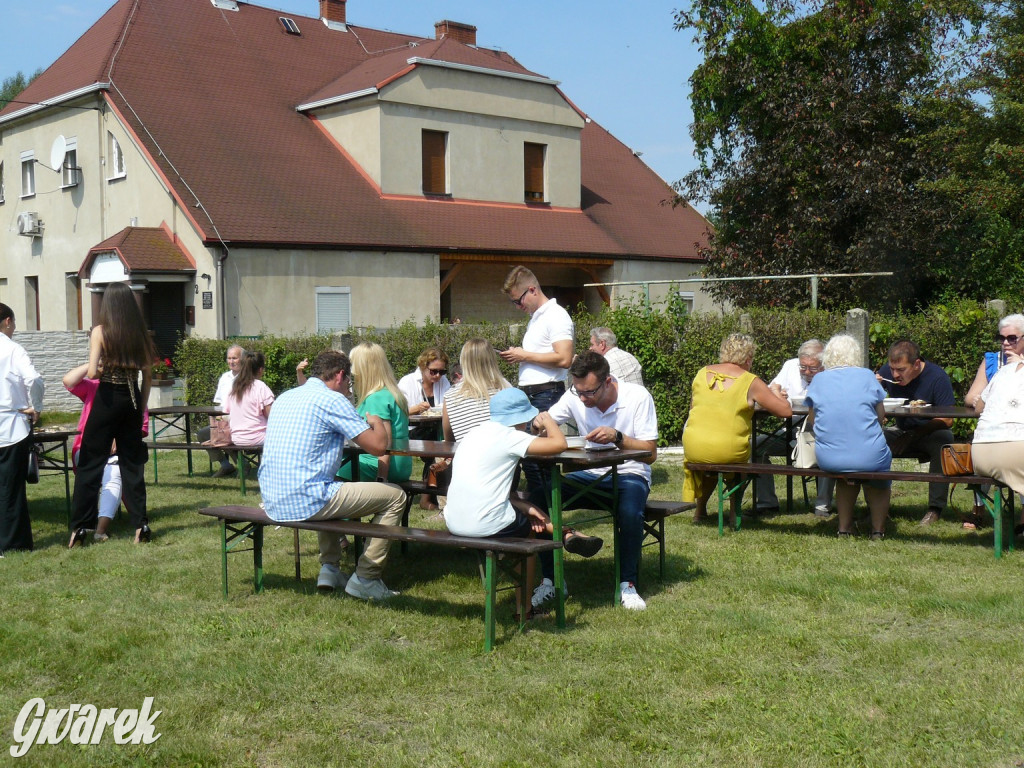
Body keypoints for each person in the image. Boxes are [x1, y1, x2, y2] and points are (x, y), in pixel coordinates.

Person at [259, 350, 407, 601]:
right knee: (396, 496)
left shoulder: (286, 396)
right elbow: (378, 446)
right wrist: (376, 421)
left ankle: (329, 569)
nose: (350, 387)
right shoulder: (333, 400)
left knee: (330, 485)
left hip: (272, 499)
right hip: (305, 499)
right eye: (349, 381)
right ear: (340, 375)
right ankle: (366, 578)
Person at [444, 388, 603, 616]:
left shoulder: (474, 434)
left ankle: (567, 533)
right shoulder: (511, 436)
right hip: (483, 523)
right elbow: (558, 444)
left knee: (528, 517)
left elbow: (497, 492)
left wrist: (527, 508)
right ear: (521, 417)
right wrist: (547, 419)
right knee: (527, 539)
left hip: (454, 520)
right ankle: (525, 609)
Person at [531, 351, 658, 611]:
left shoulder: (637, 397)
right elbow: (545, 421)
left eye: (590, 392)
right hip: (589, 474)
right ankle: (552, 580)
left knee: (631, 512)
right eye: (579, 392)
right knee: (538, 499)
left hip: (630, 473)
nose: (584, 398)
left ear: (608, 381)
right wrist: (538, 423)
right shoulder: (575, 396)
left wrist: (618, 437)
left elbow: (651, 454)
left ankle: (628, 584)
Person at [69, 282, 154, 548]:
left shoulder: (101, 332)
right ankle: (141, 525)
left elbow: (92, 373)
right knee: (131, 466)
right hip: (131, 401)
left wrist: (104, 365)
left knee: (91, 465)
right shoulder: (140, 335)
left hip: (106, 400)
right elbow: (147, 376)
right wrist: (140, 406)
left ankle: (81, 528)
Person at [682, 333, 792, 523]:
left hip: (693, 447)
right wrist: (775, 392)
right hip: (728, 449)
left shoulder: (702, 373)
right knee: (735, 458)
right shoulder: (750, 381)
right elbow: (785, 411)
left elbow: (694, 408)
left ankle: (699, 512)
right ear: (748, 358)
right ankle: (734, 513)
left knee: (709, 458)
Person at [499, 266, 574, 501]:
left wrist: (524, 356)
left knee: (536, 459)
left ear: (532, 290)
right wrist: (520, 357)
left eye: (518, 301)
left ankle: (546, 517)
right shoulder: (536, 318)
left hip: (547, 393)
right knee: (529, 458)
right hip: (533, 394)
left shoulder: (556, 315)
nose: (518, 307)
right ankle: (542, 516)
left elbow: (564, 358)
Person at [805, 335, 892, 538]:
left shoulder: (818, 380)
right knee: (878, 472)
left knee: (845, 475)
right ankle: (878, 530)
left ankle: (844, 528)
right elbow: (881, 416)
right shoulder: (867, 376)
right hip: (869, 456)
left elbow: (812, 420)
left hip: (830, 458)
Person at [63, 363, 150, 542]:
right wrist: (93, 363)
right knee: (93, 468)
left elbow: (140, 427)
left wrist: (116, 440)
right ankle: (86, 526)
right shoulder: (94, 387)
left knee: (114, 473)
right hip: (88, 449)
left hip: (116, 455)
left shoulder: (134, 397)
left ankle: (99, 529)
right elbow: (69, 381)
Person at [876, 340, 955, 525]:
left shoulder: (937, 377)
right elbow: (872, 398)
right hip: (899, 430)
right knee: (871, 441)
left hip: (930, 432)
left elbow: (948, 419)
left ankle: (935, 508)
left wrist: (914, 434)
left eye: (901, 370)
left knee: (944, 441)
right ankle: (877, 506)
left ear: (917, 364)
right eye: (892, 369)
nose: (895, 375)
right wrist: (873, 386)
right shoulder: (887, 372)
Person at [753, 339, 835, 516]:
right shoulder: (790, 366)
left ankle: (822, 506)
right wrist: (776, 393)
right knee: (755, 446)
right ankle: (767, 503)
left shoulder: (832, 372)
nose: (806, 372)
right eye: (803, 367)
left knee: (829, 451)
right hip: (791, 432)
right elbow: (770, 390)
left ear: (823, 364)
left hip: (819, 432)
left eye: (812, 368)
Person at [962, 314, 1024, 529]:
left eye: (1012, 338)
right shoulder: (993, 361)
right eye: (1002, 337)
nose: (1006, 343)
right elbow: (971, 397)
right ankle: (978, 510)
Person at [0, 304, 44, 555]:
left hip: (9, 423)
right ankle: (13, 543)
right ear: (7, 321)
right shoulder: (13, 349)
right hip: (11, 426)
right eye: (14, 323)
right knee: (11, 488)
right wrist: (36, 406)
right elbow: (34, 380)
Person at [340, 342, 412, 483]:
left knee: (329, 472)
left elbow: (384, 444)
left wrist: (381, 479)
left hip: (379, 466)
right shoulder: (392, 393)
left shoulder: (376, 398)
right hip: (401, 464)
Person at [398, 347, 452, 510]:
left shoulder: (444, 382)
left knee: (447, 444)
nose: (438, 376)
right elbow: (399, 412)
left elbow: (447, 406)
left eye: (442, 372)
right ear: (423, 366)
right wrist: (415, 408)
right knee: (438, 449)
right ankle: (428, 497)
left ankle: (436, 494)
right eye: (434, 371)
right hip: (412, 429)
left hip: (435, 427)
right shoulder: (406, 382)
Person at [442, 338, 512, 443]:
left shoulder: (451, 396)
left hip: (466, 456)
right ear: (492, 360)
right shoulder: (504, 387)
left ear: (463, 362)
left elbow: (449, 440)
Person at [198, 345, 245, 478]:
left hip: (241, 419)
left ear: (242, 359)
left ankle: (243, 465)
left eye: (234, 358)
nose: (231, 361)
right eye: (229, 358)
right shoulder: (224, 378)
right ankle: (225, 465)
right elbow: (219, 403)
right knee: (202, 434)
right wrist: (217, 420)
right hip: (223, 419)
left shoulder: (247, 378)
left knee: (222, 434)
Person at [223, 351, 274, 450]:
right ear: (260, 370)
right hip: (258, 437)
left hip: (237, 438)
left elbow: (227, 413)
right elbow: (272, 416)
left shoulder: (235, 388)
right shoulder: (261, 387)